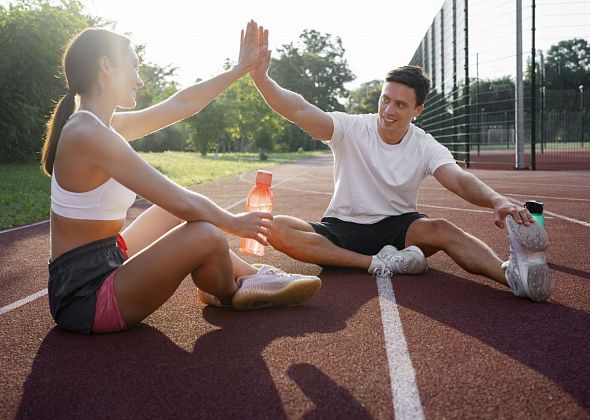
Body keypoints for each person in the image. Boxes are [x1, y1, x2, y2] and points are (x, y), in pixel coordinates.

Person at [41, 21, 321, 336]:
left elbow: (181, 104)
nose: (140, 80)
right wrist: (234, 223)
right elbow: (181, 200)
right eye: (134, 67)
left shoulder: (104, 126)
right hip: (85, 298)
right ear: (105, 66)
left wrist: (239, 69)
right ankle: (226, 290)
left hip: (107, 257)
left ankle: (251, 277)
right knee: (207, 235)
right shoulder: (88, 133)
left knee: (179, 218)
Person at [248, 27, 553, 302]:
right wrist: (262, 79)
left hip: (399, 228)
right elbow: (299, 109)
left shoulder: (424, 144)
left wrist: (496, 200)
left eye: (400, 104)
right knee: (273, 227)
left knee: (443, 229)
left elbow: (458, 179)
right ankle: (378, 264)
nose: (388, 110)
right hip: (341, 229)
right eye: (385, 100)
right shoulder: (350, 128)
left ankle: (513, 276)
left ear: (418, 109)